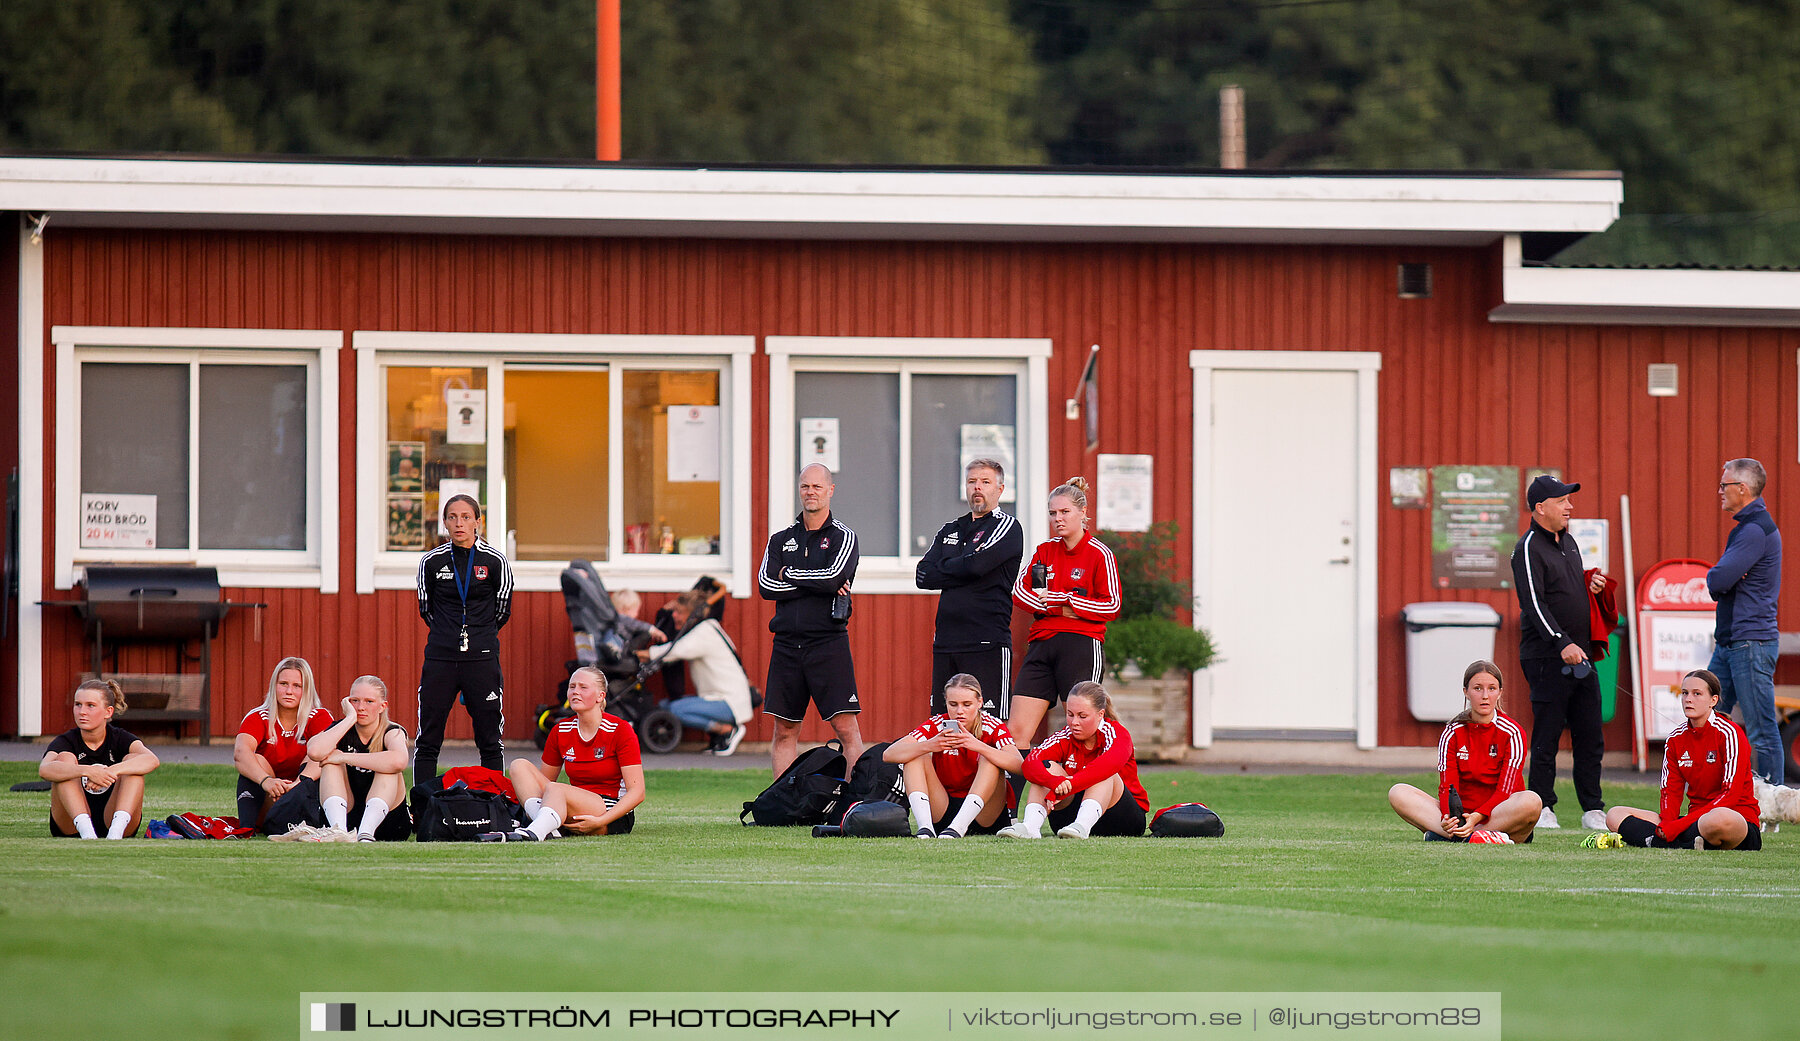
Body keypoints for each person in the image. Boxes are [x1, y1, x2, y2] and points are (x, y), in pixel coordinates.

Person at [1509, 474, 1609, 831]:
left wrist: (1590, 585)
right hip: (1546, 656)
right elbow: (1534, 605)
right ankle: (1543, 806)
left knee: (1589, 732)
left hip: (1580, 655)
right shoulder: (1527, 548)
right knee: (1548, 732)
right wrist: (1561, 641)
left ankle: (1592, 808)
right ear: (1540, 508)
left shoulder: (1568, 542)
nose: (1570, 506)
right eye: (1563, 500)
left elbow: (1566, 590)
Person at [758, 463, 863, 778]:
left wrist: (788, 575)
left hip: (828, 643)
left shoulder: (844, 537)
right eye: (805, 486)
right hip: (787, 645)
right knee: (785, 730)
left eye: (817, 487)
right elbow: (765, 585)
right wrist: (817, 584)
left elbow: (833, 578)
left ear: (830, 490)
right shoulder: (780, 540)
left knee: (846, 729)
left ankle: (851, 805)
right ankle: (782, 806)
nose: (810, 492)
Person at [1008, 476, 1120, 753]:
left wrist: (1061, 599)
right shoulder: (1045, 552)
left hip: (1081, 644)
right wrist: (1065, 607)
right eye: (1053, 513)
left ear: (1082, 513)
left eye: (1065, 512)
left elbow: (1111, 606)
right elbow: (1020, 594)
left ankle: (1097, 795)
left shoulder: (1099, 554)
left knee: (1084, 731)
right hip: (1042, 644)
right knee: (1016, 734)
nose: (1058, 519)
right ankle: (1016, 798)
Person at [413, 493, 513, 788]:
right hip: (440, 658)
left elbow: (502, 610)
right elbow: (426, 608)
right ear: (444, 522)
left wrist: (479, 634)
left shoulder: (495, 561)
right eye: (453, 517)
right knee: (429, 736)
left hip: (481, 659)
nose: (459, 523)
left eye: (466, 517)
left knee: (489, 738)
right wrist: (449, 634)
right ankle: (423, 807)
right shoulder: (431, 562)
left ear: (477, 522)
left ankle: (497, 803)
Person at [1602, 669, 1760, 850]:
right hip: (1691, 822)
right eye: (1684, 693)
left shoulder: (1729, 734)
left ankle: (1660, 842)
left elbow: (1730, 796)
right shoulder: (1675, 739)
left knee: (1718, 818)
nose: (1688, 699)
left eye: (1697, 694)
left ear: (1713, 700)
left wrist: (1677, 826)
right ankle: (1686, 843)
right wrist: (1668, 823)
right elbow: (1671, 791)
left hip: (1734, 819)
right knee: (1614, 815)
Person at [915, 458, 1024, 716]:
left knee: (988, 726)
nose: (978, 487)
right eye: (972, 481)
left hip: (986, 641)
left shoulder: (1007, 527)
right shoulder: (951, 529)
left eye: (985, 482)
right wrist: (965, 565)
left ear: (1000, 489)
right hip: (946, 641)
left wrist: (949, 566)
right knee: (944, 723)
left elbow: (977, 566)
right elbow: (923, 575)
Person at [1388, 660, 1541, 843]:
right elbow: (1447, 786)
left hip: (1498, 814)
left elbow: (1505, 792)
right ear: (1465, 692)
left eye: (1491, 689)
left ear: (1500, 693)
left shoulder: (1513, 733)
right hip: (1460, 816)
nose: (1485, 695)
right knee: (1398, 792)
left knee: (1532, 801)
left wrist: (1477, 817)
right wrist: (1448, 817)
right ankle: (1474, 837)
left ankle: (1456, 837)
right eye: (1477, 688)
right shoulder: (1452, 732)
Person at [487, 666, 645, 841]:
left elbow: (637, 792)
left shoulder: (620, 730)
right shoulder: (560, 730)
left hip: (610, 812)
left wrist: (600, 821)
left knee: (556, 789)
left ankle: (535, 832)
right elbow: (544, 786)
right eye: (572, 687)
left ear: (601, 696)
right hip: (572, 804)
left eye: (583, 687)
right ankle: (545, 824)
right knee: (519, 766)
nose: (575, 692)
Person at [1706, 458, 1783, 784]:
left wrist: (1720, 574)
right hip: (1732, 641)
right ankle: (1713, 796)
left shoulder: (1754, 530)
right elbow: (1725, 578)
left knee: (1761, 728)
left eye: (1725, 485)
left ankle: (1772, 810)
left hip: (1750, 643)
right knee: (1708, 721)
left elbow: (1719, 578)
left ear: (1743, 489)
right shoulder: (1748, 528)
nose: (1720, 491)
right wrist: (1725, 575)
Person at [1001, 682, 1148, 839]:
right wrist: (1053, 782)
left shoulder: (1117, 733)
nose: (1074, 722)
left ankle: (1082, 827)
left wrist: (1068, 786)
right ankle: (1030, 827)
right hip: (1068, 819)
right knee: (1044, 767)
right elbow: (1030, 763)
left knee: (1105, 773)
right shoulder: (1065, 736)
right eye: (1070, 714)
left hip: (1123, 819)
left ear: (1100, 715)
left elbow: (1107, 766)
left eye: (1082, 716)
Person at [883, 674, 1021, 838]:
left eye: (967, 704)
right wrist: (930, 745)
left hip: (985, 814)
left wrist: (978, 746)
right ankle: (925, 829)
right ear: (946, 703)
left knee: (990, 758)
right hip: (943, 809)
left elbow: (1020, 765)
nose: (959, 711)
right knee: (916, 755)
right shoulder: (937, 724)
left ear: (980, 703)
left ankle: (959, 827)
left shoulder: (992, 725)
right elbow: (889, 754)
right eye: (953, 704)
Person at [39, 678, 160, 839]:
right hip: (71, 825)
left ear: (108, 712)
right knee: (64, 760)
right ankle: (86, 831)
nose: (82, 711)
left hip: (115, 820)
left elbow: (152, 760)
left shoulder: (120, 738)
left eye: (90, 706)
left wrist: (109, 772)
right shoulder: (66, 741)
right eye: (78, 704)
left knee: (133, 761)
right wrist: (88, 771)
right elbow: (45, 769)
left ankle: (116, 832)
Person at [640, 588, 753, 756]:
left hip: (729, 703)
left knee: (675, 709)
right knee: (664, 706)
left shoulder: (704, 633)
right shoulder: (705, 628)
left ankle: (726, 730)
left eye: (679, 612)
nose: (674, 616)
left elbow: (673, 651)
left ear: (693, 614)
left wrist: (639, 654)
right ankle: (720, 733)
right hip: (719, 699)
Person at [306, 676, 411, 842]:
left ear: (382, 706)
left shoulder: (392, 731)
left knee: (388, 767)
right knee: (330, 765)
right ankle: (338, 831)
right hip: (347, 819)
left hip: (387, 824)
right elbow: (314, 751)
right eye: (355, 700)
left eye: (369, 701)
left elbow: (399, 760)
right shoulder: (341, 728)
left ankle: (366, 834)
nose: (361, 707)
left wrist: (343, 756)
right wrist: (349, 719)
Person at [233, 656, 335, 828]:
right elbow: (240, 754)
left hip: (303, 796)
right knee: (254, 759)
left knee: (319, 753)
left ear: (307, 689)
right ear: (274, 686)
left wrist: (297, 786)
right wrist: (267, 782)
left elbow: (327, 756)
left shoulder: (319, 716)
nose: (289, 691)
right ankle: (248, 827)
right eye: (283, 684)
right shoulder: (257, 716)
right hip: (270, 796)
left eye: (297, 686)